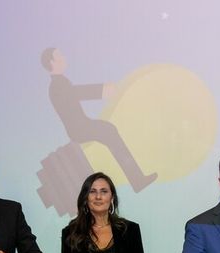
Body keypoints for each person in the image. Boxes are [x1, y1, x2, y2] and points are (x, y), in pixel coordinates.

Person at [40, 47, 158, 193]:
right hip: (80, 128)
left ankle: (137, 179)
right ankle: (137, 180)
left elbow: (74, 93)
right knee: (109, 131)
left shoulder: (59, 83)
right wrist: (102, 90)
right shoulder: (57, 85)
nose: (63, 57)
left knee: (109, 130)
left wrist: (102, 90)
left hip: (82, 125)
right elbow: (75, 93)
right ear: (51, 62)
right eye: (59, 55)